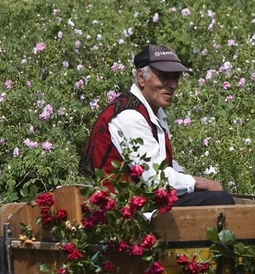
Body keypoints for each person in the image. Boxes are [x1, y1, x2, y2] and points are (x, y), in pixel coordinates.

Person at [80, 44, 234, 207]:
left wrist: (191, 182)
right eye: (164, 76)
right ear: (141, 77)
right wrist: (200, 183)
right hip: (122, 210)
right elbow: (156, 180)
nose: (173, 84)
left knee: (215, 196)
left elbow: (162, 163)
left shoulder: (152, 111)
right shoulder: (129, 116)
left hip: (144, 201)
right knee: (220, 201)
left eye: (175, 77)